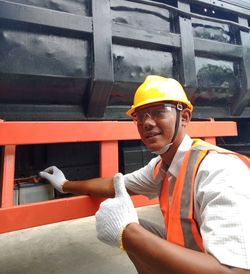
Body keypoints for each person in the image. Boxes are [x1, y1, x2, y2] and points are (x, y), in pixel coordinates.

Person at [40, 75, 250, 274]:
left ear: (184, 117)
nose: (146, 123)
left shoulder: (218, 170)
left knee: (132, 229)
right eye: (140, 117)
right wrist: (65, 184)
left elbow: (234, 271)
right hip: (196, 257)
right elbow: (113, 185)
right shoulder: (162, 165)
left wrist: (128, 234)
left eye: (159, 112)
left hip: (215, 267)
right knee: (134, 224)